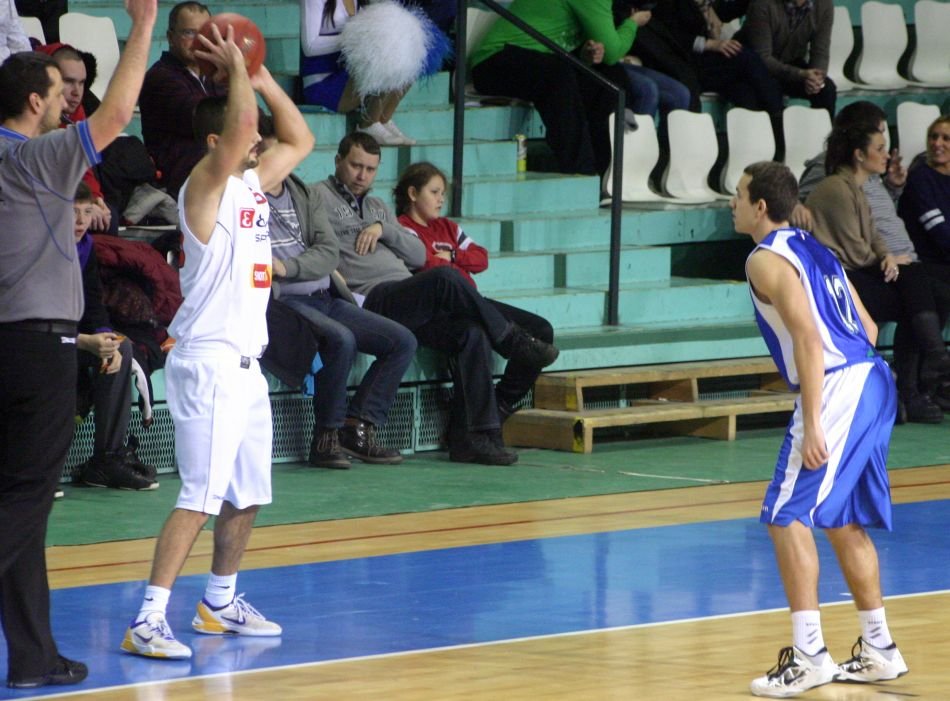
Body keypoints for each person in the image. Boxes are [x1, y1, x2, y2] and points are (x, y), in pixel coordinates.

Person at [120, 23, 314, 660]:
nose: (257, 139)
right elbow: (242, 131)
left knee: (248, 494)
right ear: (216, 142)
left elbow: (301, 138)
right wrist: (234, 71)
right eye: (244, 133)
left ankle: (219, 602)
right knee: (199, 497)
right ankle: (148, 619)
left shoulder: (254, 186)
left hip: (247, 366)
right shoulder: (201, 189)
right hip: (206, 363)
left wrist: (258, 75)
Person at [0, 0, 157, 688]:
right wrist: (143, 24)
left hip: (13, 340)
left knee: (21, 504)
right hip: (37, 350)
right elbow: (116, 116)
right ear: (34, 102)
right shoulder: (38, 159)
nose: (71, 102)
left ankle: (33, 655)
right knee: (27, 499)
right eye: (60, 92)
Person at [733, 161, 908, 698]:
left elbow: (809, 340)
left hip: (837, 386)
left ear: (761, 206)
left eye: (738, 195)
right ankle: (879, 648)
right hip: (874, 377)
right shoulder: (818, 249)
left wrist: (812, 422)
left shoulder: (764, 259)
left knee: (785, 514)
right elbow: (869, 327)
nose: (732, 204)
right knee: (842, 518)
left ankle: (810, 656)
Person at [316, 132, 559, 465]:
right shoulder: (318, 197)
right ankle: (508, 338)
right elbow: (317, 249)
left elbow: (417, 255)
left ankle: (472, 438)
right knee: (445, 277)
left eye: (370, 169)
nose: (362, 176)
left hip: (407, 293)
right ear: (338, 161)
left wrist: (383, 229)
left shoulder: (377, 207)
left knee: (472, 333)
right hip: (372, 298)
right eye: (356, 166)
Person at [260, 117, 416, 470]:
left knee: (401, 341)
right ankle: (325, 437)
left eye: (282, 154)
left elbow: (328, 253)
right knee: (341, 340)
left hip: (323, 295)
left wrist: (288, 267)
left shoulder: (302, 192)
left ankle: (357, 427)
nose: (277, 162)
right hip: (283, 301)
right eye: (270, 154)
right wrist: (291, 271)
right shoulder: (244, 195)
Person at [795, 102, 950, 422]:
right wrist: (886, 259)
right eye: (879, 141)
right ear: (859, 151)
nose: (886, 151)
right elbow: (853, 247)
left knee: (926, 290)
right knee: (915, 291)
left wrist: (887, 253)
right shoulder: (833, 180)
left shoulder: (863, 183)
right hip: (845, 275)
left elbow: (874, 230)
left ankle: (919, 385)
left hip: (875, 265)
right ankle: (922, 377)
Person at [395, 161, 554, 426]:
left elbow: (481, 259)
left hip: (472, 302)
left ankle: (501, 403)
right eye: (434, 192)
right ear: (413, 193)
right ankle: (476, 420)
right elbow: (429, 266)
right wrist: (453, 265)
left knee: (541, 330)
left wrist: (453, 256)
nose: (441, 200)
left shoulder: (448, 227)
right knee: (475, 332)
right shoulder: (403, 228)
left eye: (443, 194)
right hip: (440, 311)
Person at [470, 0, 641, 177]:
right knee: (558, 73)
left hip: (541, 60)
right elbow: (613, 51)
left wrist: (585, 55)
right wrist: (633, 22)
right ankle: (580, 171)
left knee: (609, 78)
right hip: (493, 61)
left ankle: (608, 174)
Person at [72, 182, 158, 491]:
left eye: (87, 212)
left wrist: (104, 337)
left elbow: (94, 304)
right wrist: (84, 341)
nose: (81, 221)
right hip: (36, 339)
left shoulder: (86, 247)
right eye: (73, 213)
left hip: (69, 337)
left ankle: (106, 459)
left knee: (122, 348)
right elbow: (37, 320)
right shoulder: (41, 249)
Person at [140, 1, 226, 199]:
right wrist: (234, 77)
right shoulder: (160, 77)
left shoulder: (212, 75)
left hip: (218, 176)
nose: (198, 41)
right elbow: (207, 121)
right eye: (189, 33)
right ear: (171, 37)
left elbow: (253, 119)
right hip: (181, 185)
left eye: (205, 34)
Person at [300, 0, 416, 145]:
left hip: (346, 77)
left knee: (407, 59)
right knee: (384, 57)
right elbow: (310, 47)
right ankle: (368, 124)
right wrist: (353, 36)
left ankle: (383, 120)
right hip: (322, 84)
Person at [734, 0, 836, 117]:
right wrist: (800, 74)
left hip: (790, 63)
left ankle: (824, 128)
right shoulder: (762, 4)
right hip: (754, 68)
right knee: (769, 92)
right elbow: (762, 58)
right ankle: (778, 128)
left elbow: (820, 51)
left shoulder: (824, 5)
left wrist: (816, 78)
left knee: (826, 89)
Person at [899, 115, 950, 266]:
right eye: (933, 137)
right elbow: (938, 230)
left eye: (946, 138)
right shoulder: (919, 177)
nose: (937, 143)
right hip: (929, 261)